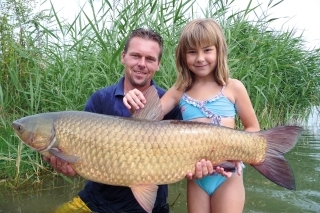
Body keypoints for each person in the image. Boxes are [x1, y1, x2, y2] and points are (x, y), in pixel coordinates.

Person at [45, 27, 216, 213]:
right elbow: (77, 160)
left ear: (158, 64)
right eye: (135, 56)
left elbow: (189, 158)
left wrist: (200, 168)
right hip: (96, 204)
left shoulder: (170, 105)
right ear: (123, 57)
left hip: (151, 207)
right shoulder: (100, 100)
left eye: (150, 59)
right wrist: (67, 167)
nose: (142, 64)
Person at [123, 18, 260, 213]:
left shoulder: (233, 87)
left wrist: (239, 153)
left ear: (219, 50)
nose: (200, 58)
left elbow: (253, 129)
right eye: (192, 52)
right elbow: (148, 119)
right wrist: (133, 100)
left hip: (228, 176)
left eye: (207, 50)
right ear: (183, 56)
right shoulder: (180, 90)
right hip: (197, 177)